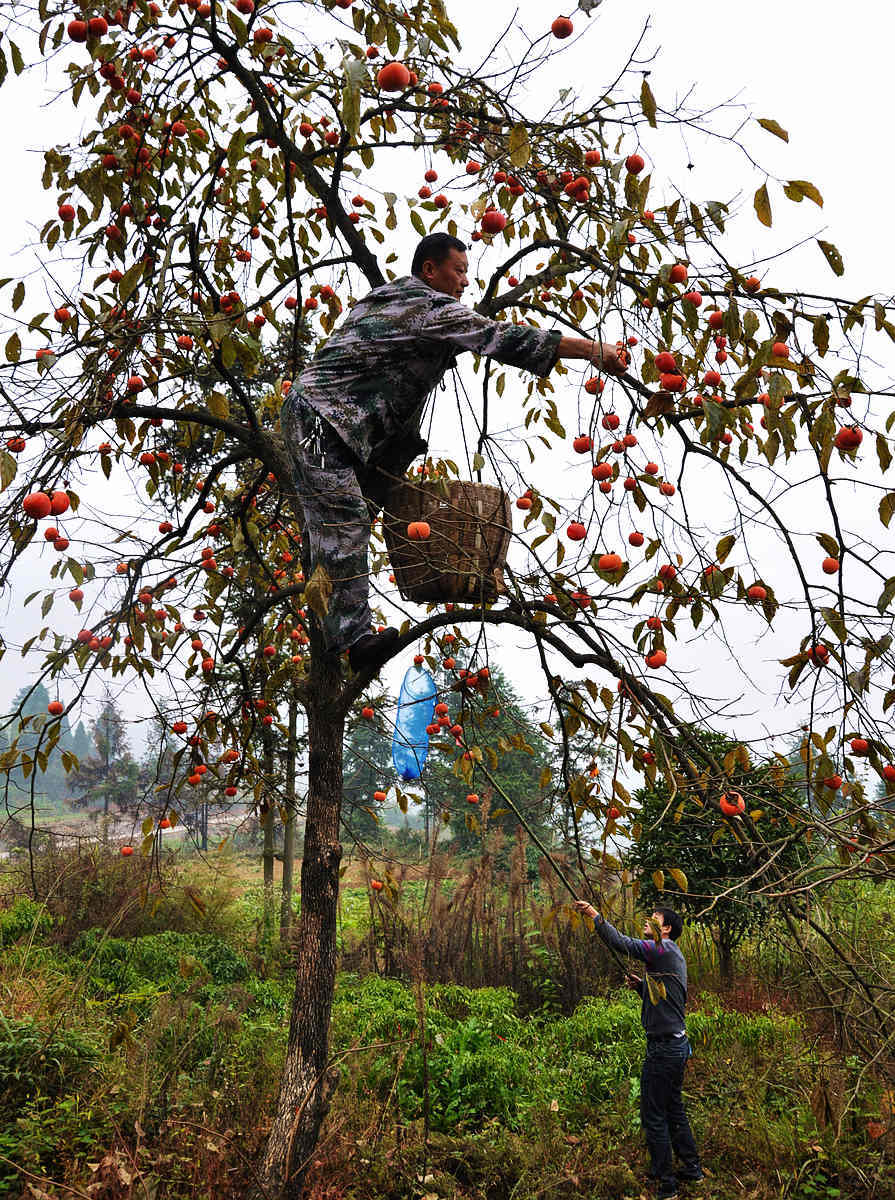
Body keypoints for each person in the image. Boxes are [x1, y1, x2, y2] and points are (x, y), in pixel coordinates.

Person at [281, 232, 625, 672]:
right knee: (345, 521)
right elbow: (498, 337)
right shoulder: (426, 306)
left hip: (338, 423)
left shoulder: (389, 298)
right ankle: (354, 641)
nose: (465, 283)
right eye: (458, 271)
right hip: (323, 419)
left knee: (345, 523)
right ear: (430, 270)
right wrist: (591, 350)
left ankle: (329, 601)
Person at [573, 900, 703, 1199]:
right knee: (673, 1107)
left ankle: (667, 1184)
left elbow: (623, 944)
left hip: (664, 1050)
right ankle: (692, 1169)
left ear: (666, 928)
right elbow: (670, 997)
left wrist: (594, 915)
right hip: (676, 1045)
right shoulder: (671, 956)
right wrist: (642, 988)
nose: (648, 921)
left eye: (655, 918)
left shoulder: (663, 948)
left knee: (653, 1114)